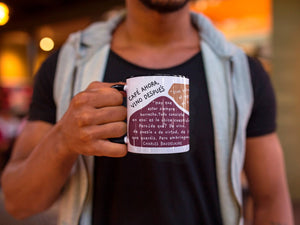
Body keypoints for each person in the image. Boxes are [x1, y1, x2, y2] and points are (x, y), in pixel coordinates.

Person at [1, 1, 294, 225]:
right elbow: (18, 203)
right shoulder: (66, 67)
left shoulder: (241, 73)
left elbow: (271, 201)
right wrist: (62, 140)